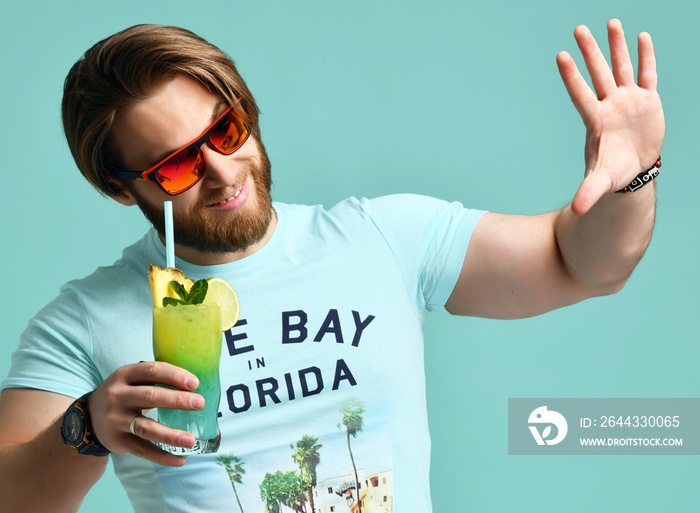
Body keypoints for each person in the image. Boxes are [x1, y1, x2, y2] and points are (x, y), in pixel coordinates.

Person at [0, 18, 663, 513]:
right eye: (177, 164)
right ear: (122, 187)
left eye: (226, 131)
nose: (224, 173)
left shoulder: (381, 236)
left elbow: (583, 264)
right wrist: (85, 429)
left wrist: (631, 178)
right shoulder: (82, 321)